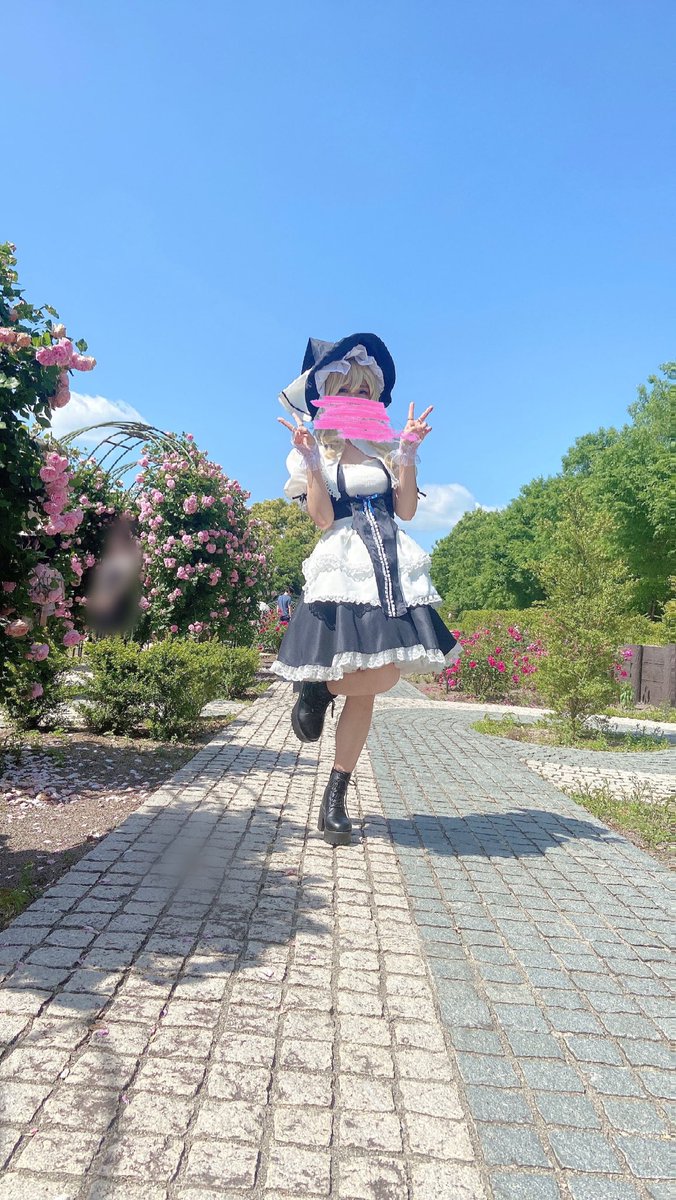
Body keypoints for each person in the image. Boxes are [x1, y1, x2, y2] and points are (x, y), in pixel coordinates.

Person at [271, 334, 459, 845]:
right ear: (327, 394)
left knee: (384, 675)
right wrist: (311, 461)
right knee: (370, 681)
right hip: (344, 567)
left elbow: (407, 510)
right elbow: (320, 518)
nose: (357, 396)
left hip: (391, 566)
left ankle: (320, 694)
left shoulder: (385, 448)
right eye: (346, 387)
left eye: (364, 389)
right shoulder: (317, 447)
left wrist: (409, 453)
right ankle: (335, 799)